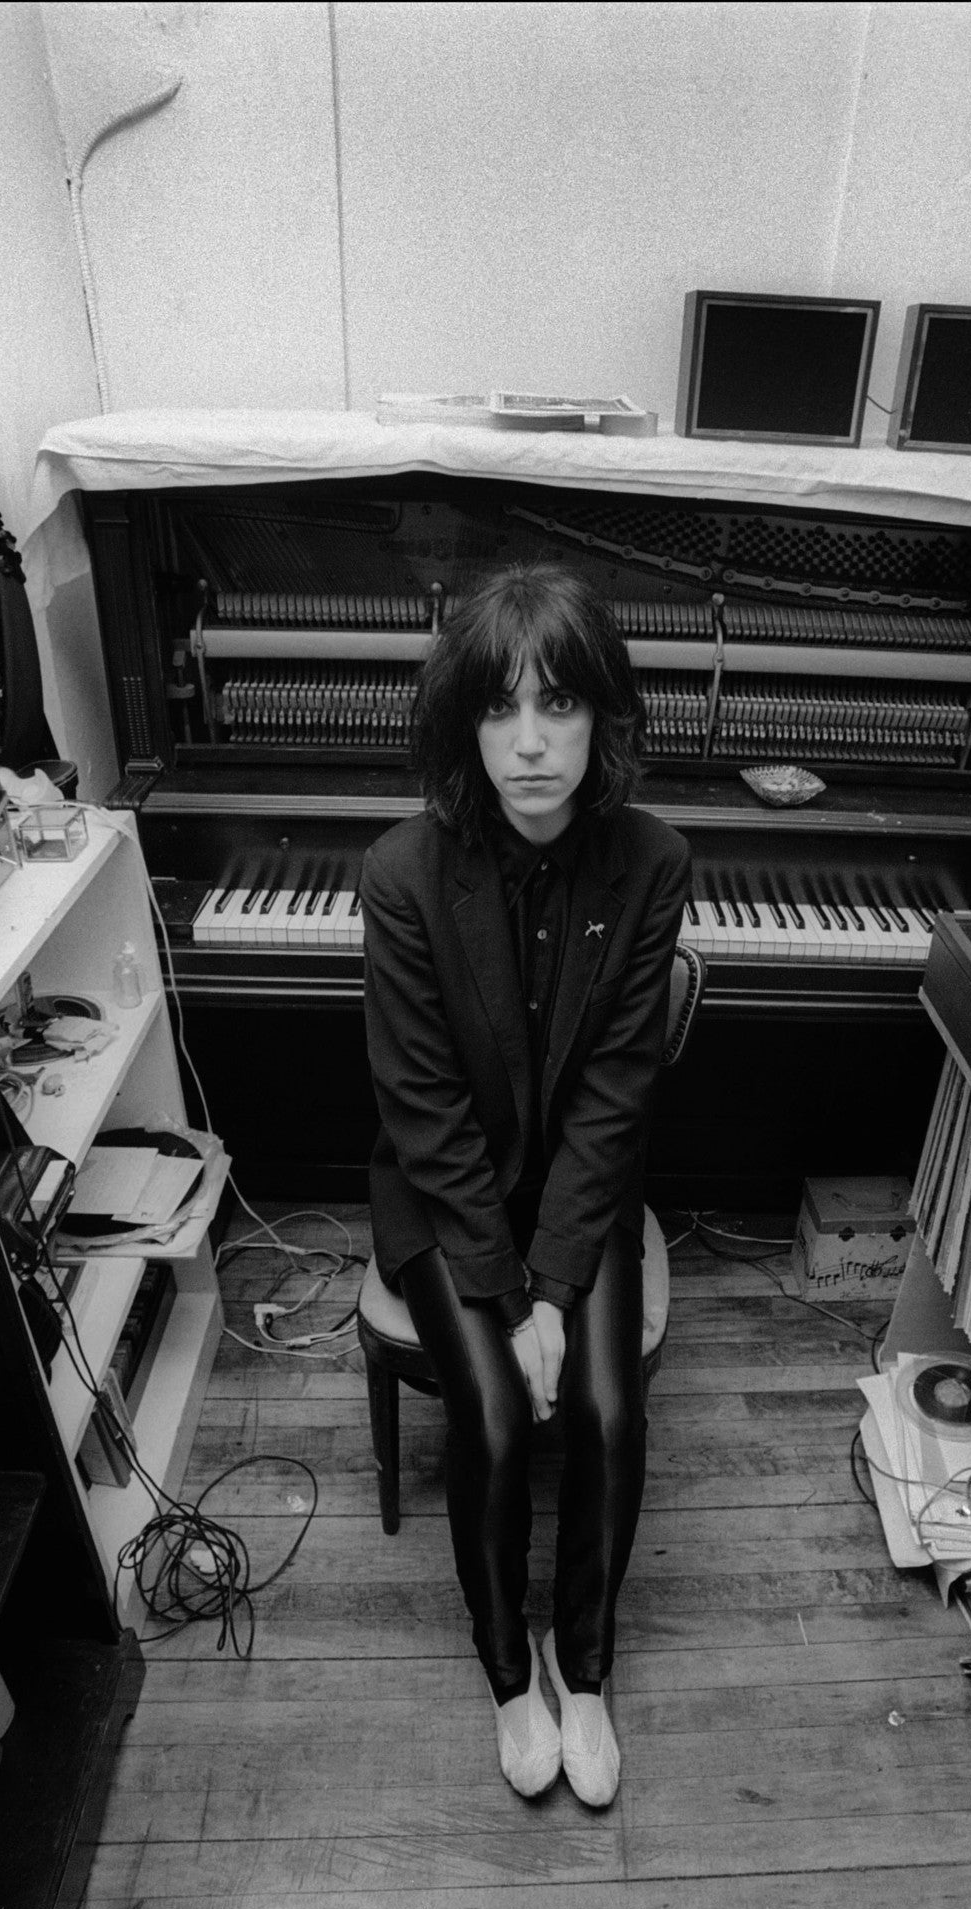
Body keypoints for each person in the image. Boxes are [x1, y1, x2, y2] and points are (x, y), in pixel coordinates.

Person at [360, 561, 690, 1808]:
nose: (532, 741)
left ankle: (583, 1662)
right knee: (495, 1418)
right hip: (445, 1195)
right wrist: (504, 1300)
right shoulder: (402, 875)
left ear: (603, 716)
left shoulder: (652, 864)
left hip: (578, 1190)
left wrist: (557, 1287)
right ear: (467, 726)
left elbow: (616, 1094)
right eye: (502, 709)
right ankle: (510, 1672)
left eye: (560, 704)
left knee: (606, 1410)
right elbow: (423, 1111)